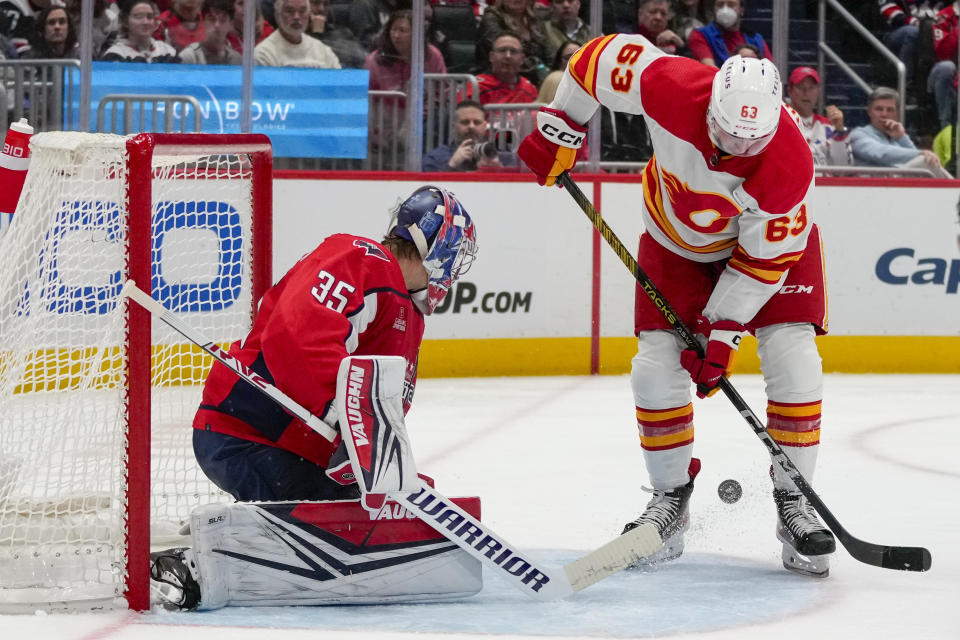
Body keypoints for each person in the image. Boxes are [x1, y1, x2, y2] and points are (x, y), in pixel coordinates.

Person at [518, 43, 837, 577]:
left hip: (765, 259)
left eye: (748, 141)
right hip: (674, 243)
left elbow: (761, 266)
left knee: (794, 356)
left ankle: (793, 499)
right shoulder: (670, 83)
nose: (732, 148)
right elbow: (592, 62)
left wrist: (723, 334)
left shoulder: (789, 164)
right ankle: (669, 503)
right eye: (726, 130)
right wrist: (561, 128)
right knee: (653, 367)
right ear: (711, 102)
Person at [150, 186, 478, 609]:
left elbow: (378, 406)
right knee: (332, 538)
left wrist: (387, 470)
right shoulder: (359, 257)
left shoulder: (407, 314)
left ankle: (241, 535)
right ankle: (193, 565)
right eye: (456, 251)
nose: (455, 267)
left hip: (301, 451)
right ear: (437, 244)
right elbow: (298, 337)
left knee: (379, 523)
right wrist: (348, 426)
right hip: (247, 434)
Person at [850, 86, 951, 176]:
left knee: (926, 160)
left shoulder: (897, 138)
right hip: (874, 188)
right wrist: (921, 153)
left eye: (890, 110)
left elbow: (913, 158)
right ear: (869, 112)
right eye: (879, 109)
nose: (884, 114)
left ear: (896, 114)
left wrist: (902, 138)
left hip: (901, 187)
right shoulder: (858, 134)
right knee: (925, 160)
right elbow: (881, 153)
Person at [364, 9, 446, 92]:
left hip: (423, 104)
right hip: (386, 105)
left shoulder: (433, 55)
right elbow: (363, 95)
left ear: (416, 33)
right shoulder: (374, 59)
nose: (396, 35)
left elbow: (444, 91)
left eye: (402, 30)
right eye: (393, 30)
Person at [785, 66, 852, 167]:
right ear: (789, 91)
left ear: (818, 91)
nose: (806, 92)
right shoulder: (779, 124)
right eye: (800, 87)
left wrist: (839, 131)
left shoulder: (828, 127)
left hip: (823, 182)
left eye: (811, 87)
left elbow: (843, 167)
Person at [423, 100, 517, 171]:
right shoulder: (436, 157)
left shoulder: (502, 156)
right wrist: (452, 165)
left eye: (477, 122)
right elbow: (429, 192)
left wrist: (498, 169)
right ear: (454, 126)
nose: (471, 126)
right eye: (465, 122)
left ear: (485, 126)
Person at [478, 0, 549, 84]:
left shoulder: (534, 18)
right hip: (503, 77)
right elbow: (505, 52)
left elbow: (548, 49)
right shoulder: (491, 18)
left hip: (537, 75)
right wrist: (540, 69)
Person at [254, 0, 340, 67]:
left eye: (302, 11)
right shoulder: (264, 54)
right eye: (289, 11)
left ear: (309, 14)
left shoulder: (323, 51)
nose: (296, 17)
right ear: (277, 15)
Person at [688, 0, 771, 67]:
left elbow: (770, 72)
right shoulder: (701, 35)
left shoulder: (755, 38)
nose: (725, 10)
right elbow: (710, 70)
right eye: (720, 5)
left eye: (731, 5)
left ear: (741, 9)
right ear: (714, 8)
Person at [466, 32, 539, 104]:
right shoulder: (476, 87)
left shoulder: (529, 88)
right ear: (491, 57)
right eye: (502, 50)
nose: (508, 56)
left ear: (522, 59)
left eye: (513, 51)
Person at [101, 0, 180, 62]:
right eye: (138, 16)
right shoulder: (116, 53)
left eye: (150, 17)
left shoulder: (167, 50)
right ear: (125, 21)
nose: (145, 22)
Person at [306, 0, 364, 68]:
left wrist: (319, 35)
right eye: (316, 3)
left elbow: (360, 58)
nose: (321, 8)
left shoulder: (343, 32)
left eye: (326, 4)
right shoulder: (296, 35)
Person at [929, 3, 957, 131]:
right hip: (941, 76)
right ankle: (945, 129)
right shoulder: (944, 15)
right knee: (947, 67)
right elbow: (943, 53)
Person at [542, 0, 589, 65]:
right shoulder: (543, 30)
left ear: (578, 4)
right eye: (559, 2)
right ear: (551, 6)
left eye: (570, 1)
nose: (566, 5)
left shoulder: (592, 32)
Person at [537, 38, 580, 103]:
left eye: (579, 57)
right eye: (568, 58)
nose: (574, 61)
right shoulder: (558, 77)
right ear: (559, 61)